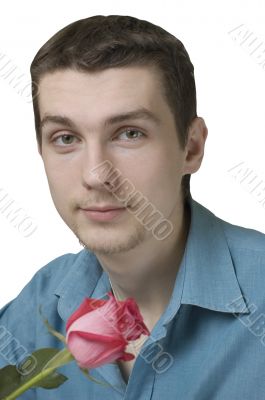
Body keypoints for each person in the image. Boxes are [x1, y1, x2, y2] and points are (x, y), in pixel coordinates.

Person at [1, 14, 265, 400]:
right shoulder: (38, 306)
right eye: (65, 138)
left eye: (129, 133)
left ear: (191, 148)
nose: (96, 174)